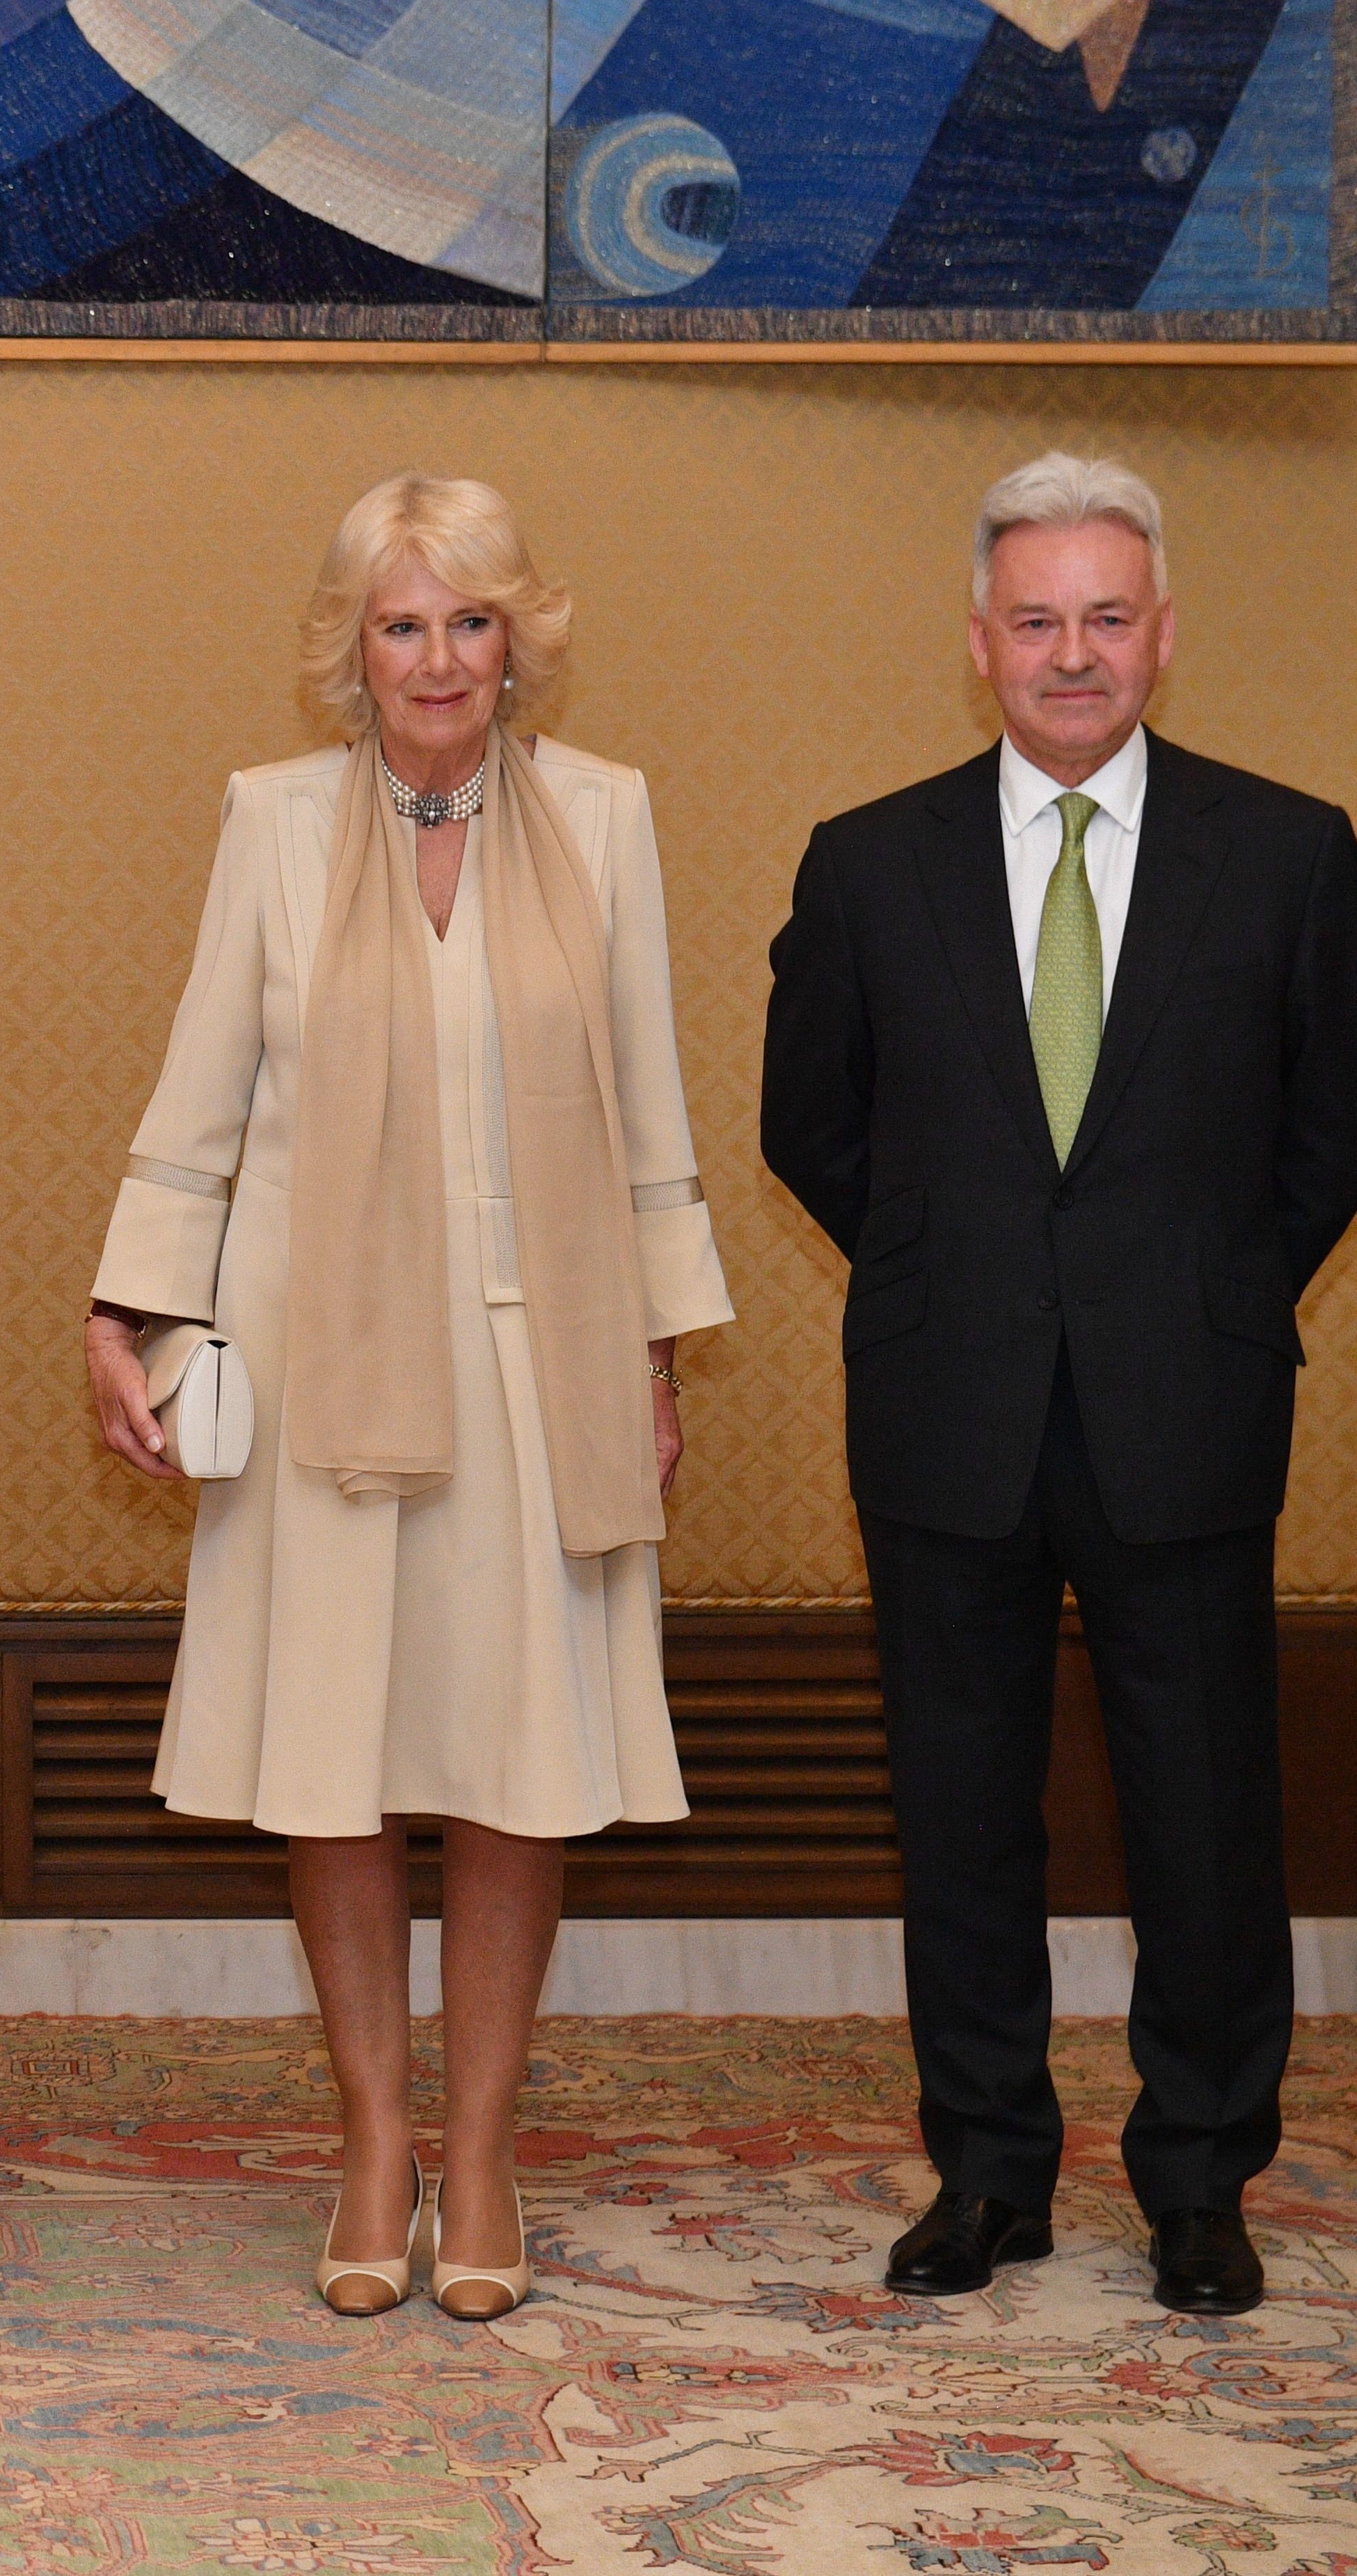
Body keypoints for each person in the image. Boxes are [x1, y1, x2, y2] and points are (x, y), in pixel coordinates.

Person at [86, 475, 732, 2322]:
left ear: (517, 637)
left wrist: (654, 1355)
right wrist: (131, 1308)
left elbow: (649, 1104)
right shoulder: (273, 821)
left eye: (468, 620)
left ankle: (484, 2143)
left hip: (543, 1354)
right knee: (340, 1760)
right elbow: (206, 1086)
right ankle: (376, 2136)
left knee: (518, 1765)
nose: (438, 659)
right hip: (318, 1356)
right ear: (350, 648)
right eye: (401, 623)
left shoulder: (606, 816)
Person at [762, 454, 1357, 2319]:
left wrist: (1208, 1286)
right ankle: (989, 2172)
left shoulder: (1293, 853)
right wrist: (953, 1273)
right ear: (981, 641)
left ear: (1164, 635)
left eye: (1108, 616)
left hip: (1189, 1399)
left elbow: (1332, 1129)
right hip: (950, 1402)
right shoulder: (870, 862)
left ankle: (1200, 2180)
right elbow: (811, 1126)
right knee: (961, 1809)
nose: (1073, 653)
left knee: (1207, 1814)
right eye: (1038, 619)